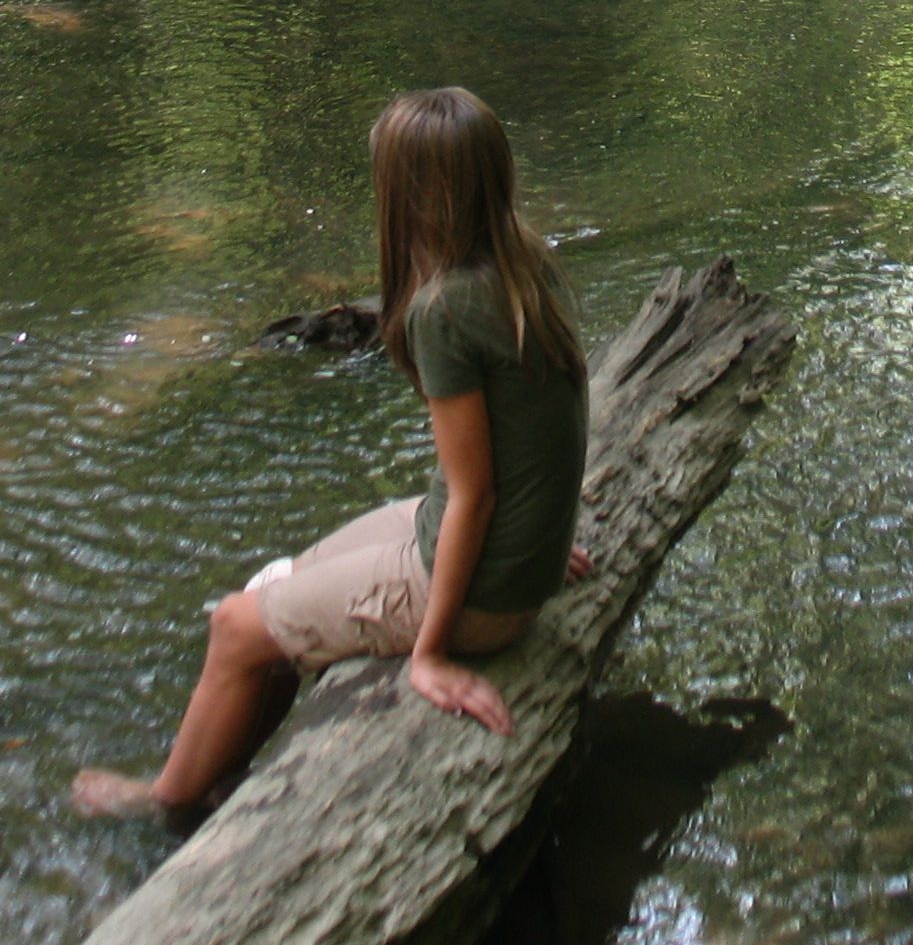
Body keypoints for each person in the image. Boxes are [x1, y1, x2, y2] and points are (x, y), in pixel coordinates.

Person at [72, 87, 593, 824]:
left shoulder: (444, 310)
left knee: (232, 624)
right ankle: (226, 767)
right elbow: (555, 422)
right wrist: (548, 538)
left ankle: (168, 801)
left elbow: (474, 495)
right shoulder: (524, 262)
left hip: (485, 590)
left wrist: (432, 654)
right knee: (275, 583)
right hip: (509, 556)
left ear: (412, 197)